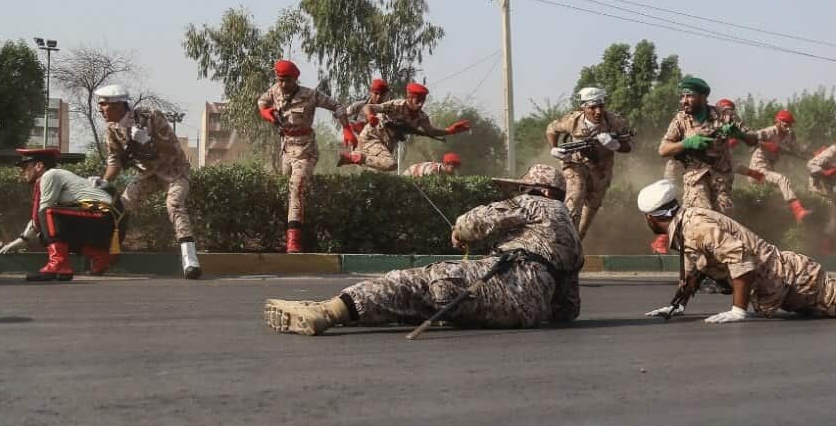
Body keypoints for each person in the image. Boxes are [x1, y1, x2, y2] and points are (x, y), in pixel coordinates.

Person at [264, 165, 583, 336]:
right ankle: (341, 309)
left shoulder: (535, 203)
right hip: (524, 315)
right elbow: (568, 308)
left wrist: (459, 231)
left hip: (500, 282)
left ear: (539, 190)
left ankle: (328, 312)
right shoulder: (572, 235)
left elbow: (476, 222)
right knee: (420, 302)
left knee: (408, 284)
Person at [636, 179, 836, 322]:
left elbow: (740, 261)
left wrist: (737, 310)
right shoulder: (687, 225)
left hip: (797, 282)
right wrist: (677, 305)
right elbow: (694, 270)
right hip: (785, 286)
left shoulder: (696, 226)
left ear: (652, 217)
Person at [96, 84, 201, 279]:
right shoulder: (112, 130)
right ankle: (108, 255)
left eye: (103, 105)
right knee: (120, 208)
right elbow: (115, 161)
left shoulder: (150, 117)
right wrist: (103, 182)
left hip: (174, 171)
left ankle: (190, 261)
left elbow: (173, 148)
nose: (100, 109)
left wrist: (148, 141)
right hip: (148, 174)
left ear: (118, 105)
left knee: (174, 204)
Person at [257, 59, 356, 253]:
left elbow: (337, 106)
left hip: (305, 150)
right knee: (283, 187)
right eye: (280, 80)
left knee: (296, 187)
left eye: (287, 80)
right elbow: (261, 102)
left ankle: (294, 240)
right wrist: (267, 113)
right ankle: (282, 231)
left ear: (295, 79)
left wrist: (346, 128)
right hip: (286, 148)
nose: (283, 84)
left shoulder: (310, 95)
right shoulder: (275, 90)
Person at [655, 77, 758, 253]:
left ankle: (720, 268)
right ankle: (697, 268)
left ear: (703, 97)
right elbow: (663, 149)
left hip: (721, 181)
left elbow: (753, 139)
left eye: (689, 96)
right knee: (701, 221)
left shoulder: (725, 116)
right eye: (682, 96)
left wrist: (737, 133)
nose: (684, 101)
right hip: (695, 178)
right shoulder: (681, 119)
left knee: (724, 224)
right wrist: (687, 143)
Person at [0, 148, 120, 281]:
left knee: (47, 214)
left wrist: (22, 240)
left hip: (103, 215)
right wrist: (20, 241)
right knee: (46, 229)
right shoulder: (55, 176)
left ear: (39, 166)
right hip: (106, 220)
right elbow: (40, 220)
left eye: (25, 167)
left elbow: (42, 213)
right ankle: (100, 255)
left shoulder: (50, 175)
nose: (22, 173)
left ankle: (58, 264)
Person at [546, 86, 634, 240]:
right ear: (583, 108)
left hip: (601, 170)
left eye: (601, 106)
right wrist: (554, 149)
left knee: (590, 212)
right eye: (593, 107)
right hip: (575, 164)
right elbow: (551, 129)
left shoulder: (615, 122)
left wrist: (615, 145)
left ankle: (577, 242)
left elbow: (629, 146)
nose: (598, 111)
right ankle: (566, 240)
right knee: (575, 196)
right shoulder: (572, 120)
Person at [339, 82, 469, 171]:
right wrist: (370, 116)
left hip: (386, 144)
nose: (420, 104)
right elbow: (368, 107)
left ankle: (354, 157)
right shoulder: (396, 105)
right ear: (409, 97)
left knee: (379, 171)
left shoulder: (422, 117)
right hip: (373, 136)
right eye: (417, 100)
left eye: (422, 101)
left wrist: (450, 131)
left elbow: (431, 131)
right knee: (391, 164)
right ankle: (355, 156)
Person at [738, 110, 811, 222]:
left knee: (776, 196)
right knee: (782, 179)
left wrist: (814, 154)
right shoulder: (768, 132)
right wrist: (766, 145)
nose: (788, 128)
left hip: (769, 169)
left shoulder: (790, 136)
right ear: (777, 122)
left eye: (790, 125)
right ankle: (798, 210)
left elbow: (799, 149)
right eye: (786, 125)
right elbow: (750, 138)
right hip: (757, 170)